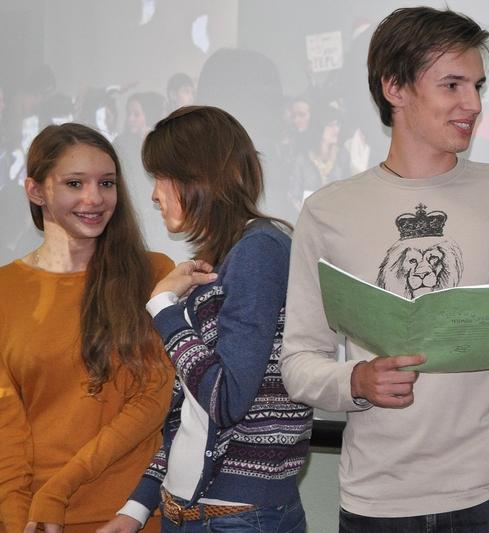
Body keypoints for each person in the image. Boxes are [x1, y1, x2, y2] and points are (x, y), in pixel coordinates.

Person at [280, 7, 489, 532]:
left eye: (477, 86)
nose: (472, 104)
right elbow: (299, 362)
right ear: (395, 87)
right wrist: (356, 380)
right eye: (452, 85)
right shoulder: (327, 211)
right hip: (376, 504)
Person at [101, 106, 312, 533]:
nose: (154, 195)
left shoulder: (259, 251)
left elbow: (226, 400)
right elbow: (192, 414)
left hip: (238, 517)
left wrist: (164, 307)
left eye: (161, 177)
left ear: (200, 177)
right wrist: (137, 507)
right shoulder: (227, 259)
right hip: (190, 512)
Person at [0, 123, 174, 533]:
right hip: (37, 520)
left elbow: (153, 401)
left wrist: (58, 490)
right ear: (35, 191)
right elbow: (6, 427)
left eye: (107, 183)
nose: (94, 198)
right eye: (75, 183)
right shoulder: (6, 289)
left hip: (131, 517)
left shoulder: (153, 274)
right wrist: (17, 520)